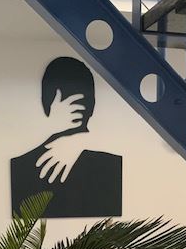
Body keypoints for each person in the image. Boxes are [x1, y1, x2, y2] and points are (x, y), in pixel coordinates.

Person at [11, 57, 122, 218]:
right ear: (47, 103)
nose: (77, 103)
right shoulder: (23, 167)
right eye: (66, 96)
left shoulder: (110, 164)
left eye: (84, 96)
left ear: (92, 104)